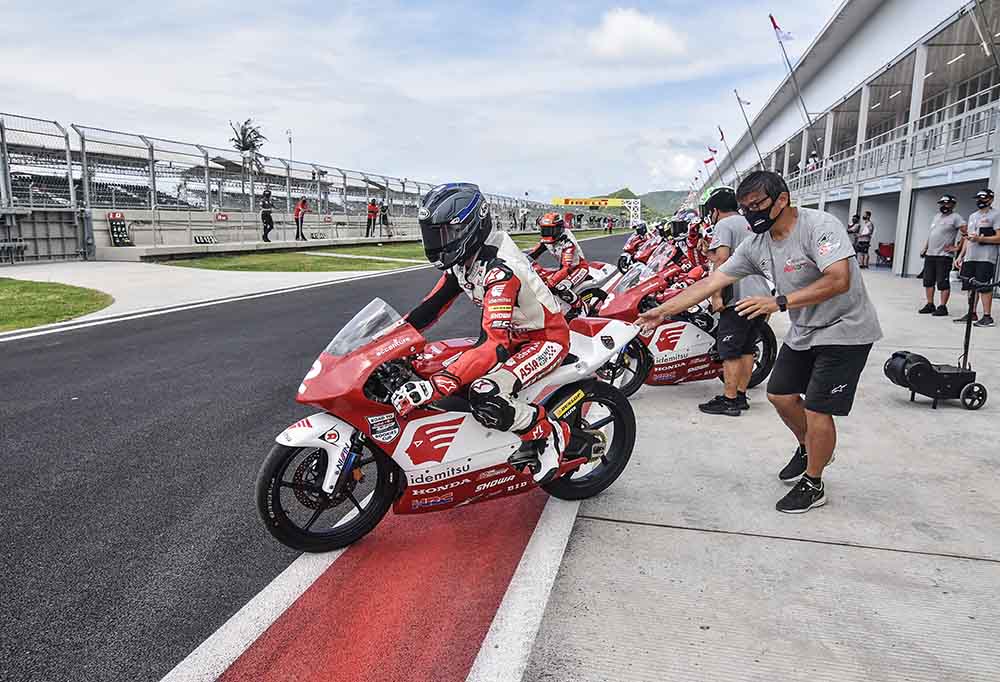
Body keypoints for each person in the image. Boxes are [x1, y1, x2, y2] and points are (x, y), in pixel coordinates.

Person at [638, 171, 882, 513]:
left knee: (817, 408)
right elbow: (711, 283)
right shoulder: (756, 243)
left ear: (781, 200)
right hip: (805, 329)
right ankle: (809, 447)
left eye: (757, 205)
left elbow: (839, 280)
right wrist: (661, 311)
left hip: (846, 329)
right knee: (780, 396)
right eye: (744, 207)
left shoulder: (819, 227)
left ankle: (813, 483)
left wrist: (779, 302)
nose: (750, 214)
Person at [392, 183, 571, 484]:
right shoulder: (464, 262)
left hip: (544, 339)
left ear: (469, 228)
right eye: (433, 235)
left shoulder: (500, 270)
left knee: (483, 393)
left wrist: (439, 384)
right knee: (428, 362)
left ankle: (548, 431)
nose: (437, 243)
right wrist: (388, 340)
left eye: (444, 234)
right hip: (511, 337)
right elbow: (430, 308)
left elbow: (493, 346)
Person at [697, 187, 772, 417]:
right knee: (747, 348)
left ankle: (729, 401)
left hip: (738, 297)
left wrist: (716, 295)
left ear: (716, 210)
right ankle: (740, 396)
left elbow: (722, 260)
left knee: (729, 349)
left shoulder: (724, 225)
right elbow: (734, 257)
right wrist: (707, 253)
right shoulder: (749, 222)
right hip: (761, 294)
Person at [955, 188, 1000, 327]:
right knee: (971, 285)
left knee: (984, 286)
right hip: (970, 256)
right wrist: (960, 256)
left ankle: (987, 317)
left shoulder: (996, 215)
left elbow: (998, 238)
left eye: (984, 199)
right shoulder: (973, 216)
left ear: (991, 199)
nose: (980, 201)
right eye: (978, 199)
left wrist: (981, 239)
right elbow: (968, 238)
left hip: (986, 257)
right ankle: (971, 312)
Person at [919, 195, 965, 317]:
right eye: (942, 204)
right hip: (930, 254)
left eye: (947, 204)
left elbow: (966, 233)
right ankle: (930, 304)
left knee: (942, 282)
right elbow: (931, 234)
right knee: (928, 281)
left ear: (952, 205)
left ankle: (942, 306)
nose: (944, 206)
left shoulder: (956, 218)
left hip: (944, 256)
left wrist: (957, 247)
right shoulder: (936, 217)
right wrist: (925, 248)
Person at [527, 212, 588, 304]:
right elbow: (532, 255)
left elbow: (566, 268)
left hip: (578, 268)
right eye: (544, 230)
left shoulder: (567, 242)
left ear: (558, 229)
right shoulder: (547, 239)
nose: (546, 233)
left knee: (560, 288)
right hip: (563, 267)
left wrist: (551, 282)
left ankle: (580, 308)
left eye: (550, 230)